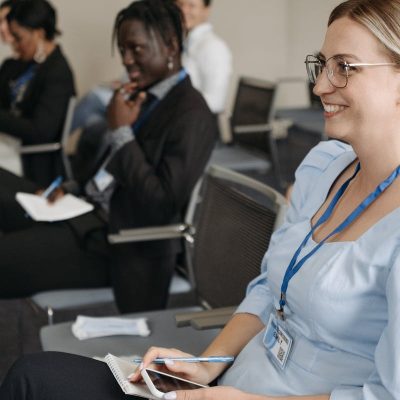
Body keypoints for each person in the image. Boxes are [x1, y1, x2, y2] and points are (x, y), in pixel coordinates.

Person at [1, 0, 399, 399]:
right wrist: (204, 366)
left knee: (33, 379)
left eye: (344, 67)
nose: (319, 86)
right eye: (322, 64)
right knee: (31, 374)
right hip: (227, 382)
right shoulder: (323, 167)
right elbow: (267, 290)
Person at [0, 0, 217, 314]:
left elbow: (161, 202)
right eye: (123, 50)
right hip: (85, 215)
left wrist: (120, 133)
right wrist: (75, 188)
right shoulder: (144, 96)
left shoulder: (192, 114)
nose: (127, 61)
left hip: (119, 245)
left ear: (171, 45)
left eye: (136, 49)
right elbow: (110, 171)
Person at [0, 0, 75, 186]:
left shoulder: (57, 72)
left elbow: (40, 131)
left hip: (29, 156)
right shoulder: (16, 65)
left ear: (39, 34)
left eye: (18, 38)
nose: (13, 44)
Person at [176, 0, 232, 115]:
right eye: (180, 5)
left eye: (191, 6)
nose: (184, 10)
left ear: (206, 10)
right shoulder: (184, 43)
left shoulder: (213, 47)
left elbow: (216, 102)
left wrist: (172, 104)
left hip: (198, 126)